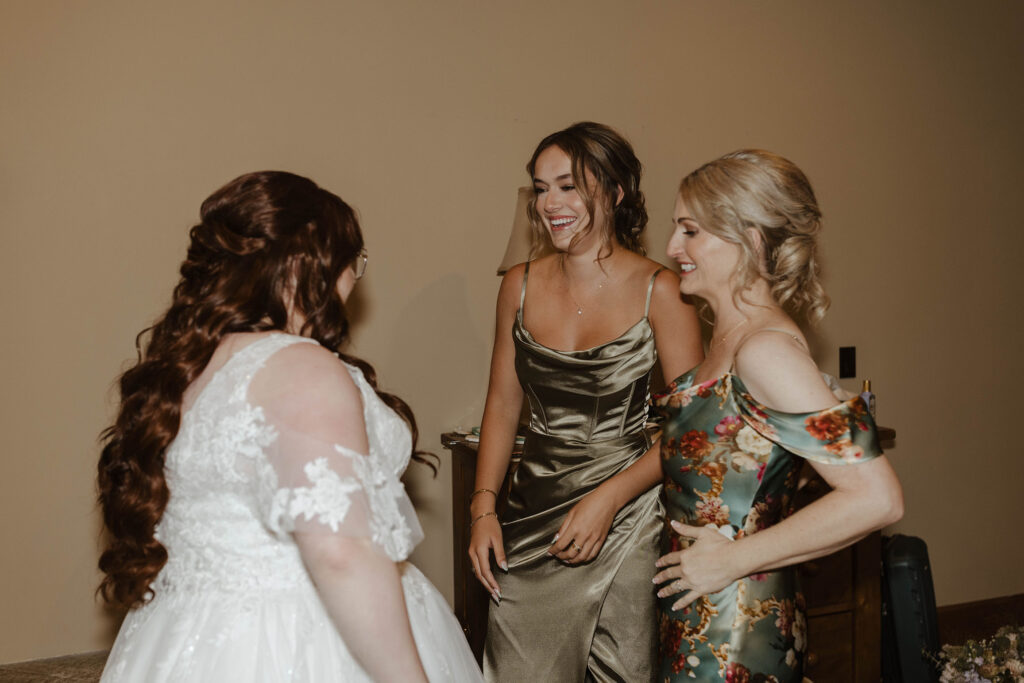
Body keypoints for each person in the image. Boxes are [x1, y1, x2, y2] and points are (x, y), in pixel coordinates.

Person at [97, 171, 482, 682]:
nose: (352, 281)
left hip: (190, 637)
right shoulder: (300, 366)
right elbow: (340, 552)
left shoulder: (185, 370)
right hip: (302, 635)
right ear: (311, 263)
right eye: (353, 263)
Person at [652, 150, 904, 681]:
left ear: (752, 240)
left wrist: (734, 559)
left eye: (690, 231)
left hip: (735, 630)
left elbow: (877, 498)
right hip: (701, 613)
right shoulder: (729, 340)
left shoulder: (764, 351)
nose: (673, 248)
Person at [468, 122, 703, 681]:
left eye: (569, 186)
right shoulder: (517, 284)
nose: (552, 203)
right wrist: (483, 509)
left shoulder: (662, 290)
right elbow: (503, 404)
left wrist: (608, 500)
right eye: (542, 188)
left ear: (615, 192)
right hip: (532, 516)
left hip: (628, 517)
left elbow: (693, 428)